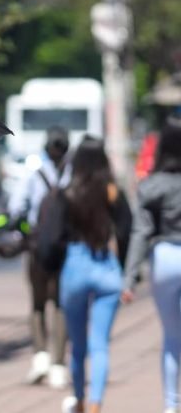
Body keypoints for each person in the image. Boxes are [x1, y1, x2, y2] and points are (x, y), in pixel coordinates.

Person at [37, 136, 132, 413]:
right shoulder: (113, 192)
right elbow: (126, 231)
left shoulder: (66, 194)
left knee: (77, 344)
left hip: (75, 266)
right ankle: (96, 403)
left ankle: (78, 397)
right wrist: (125, 268)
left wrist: (52, 268)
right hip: (106, 265)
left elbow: (50, 240)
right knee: (100, 343)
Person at [122, 118, 181, 413]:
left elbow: (141, 233)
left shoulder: (152, 186)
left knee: (172, 336)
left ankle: (171, 405)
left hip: (166, 257)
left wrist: (129, 279)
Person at [7, 126, 72, 388]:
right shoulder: (74, 176)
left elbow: (15, 209)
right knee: (60, 304)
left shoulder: (33, 176)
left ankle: (40, 356)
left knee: (37, 303)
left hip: (37, 249)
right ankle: (58, 363)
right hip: (66, 250)